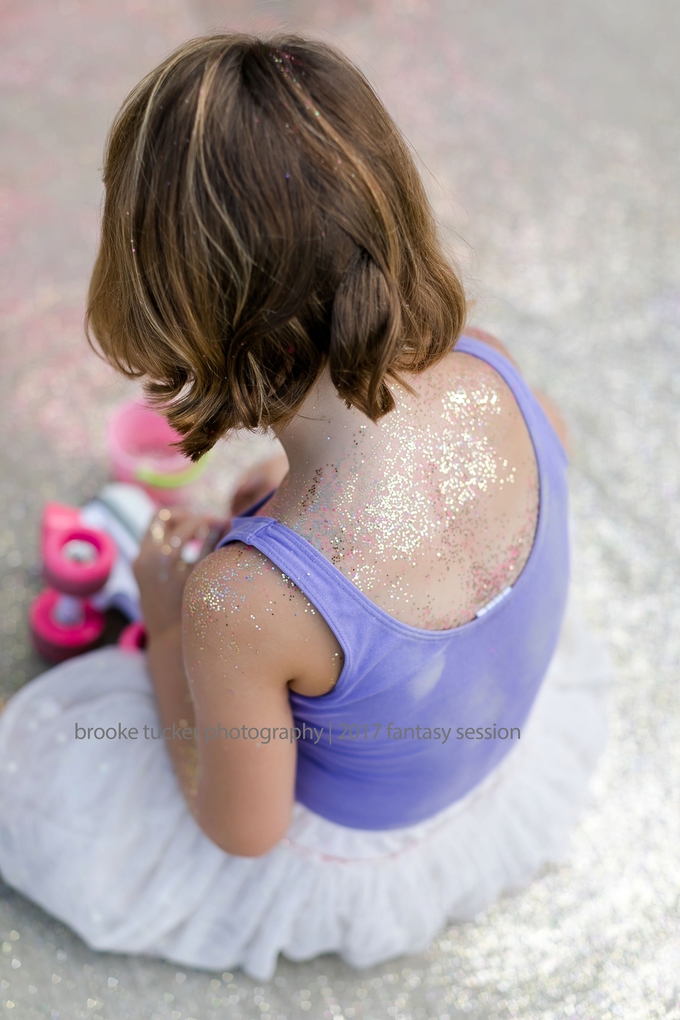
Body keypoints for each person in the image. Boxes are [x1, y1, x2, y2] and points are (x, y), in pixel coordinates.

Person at [0, 34, 610, 980]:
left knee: (45, 764)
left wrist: (169, 626)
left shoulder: (240, 604)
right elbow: (440, 529)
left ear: (180, 311)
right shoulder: (495, 369)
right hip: (498, 740)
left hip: (360, 852)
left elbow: (244, 830)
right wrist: (295, 518)